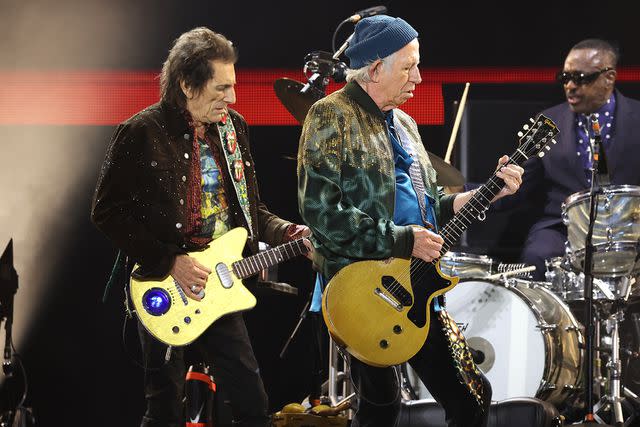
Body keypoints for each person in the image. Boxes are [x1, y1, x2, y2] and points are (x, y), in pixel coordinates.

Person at [297, 15, 524, 427]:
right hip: (360, 289)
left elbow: (429, 207)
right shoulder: (331, 115)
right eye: (408, 66)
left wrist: (484, 193)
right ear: (376, 68)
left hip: (415, 283)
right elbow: (322, 213)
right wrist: (404, 241)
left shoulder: (405, 125)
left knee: (472, 395)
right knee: (381, 406)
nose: (418, 77)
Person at [91, 27, 310, 427]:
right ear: (187, 85)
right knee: (165, 410)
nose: (233, 98)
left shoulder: (234, 129)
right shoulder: (140, 132)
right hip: (163, 285)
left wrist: (288, 232)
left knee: (252, 404)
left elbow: (250, 209)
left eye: (233, 86)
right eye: (221, 88)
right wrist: (169, 260)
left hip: (219, 283)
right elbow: (106, 212)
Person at [492, 38, 640, 280]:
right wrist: (463, 192)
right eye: (565, 78)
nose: (570, 86)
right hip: (564, 227)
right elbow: (518, 185)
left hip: (630, 227)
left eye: (581, 79)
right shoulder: (548, 122)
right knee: (537, 256)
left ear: (609, 78)